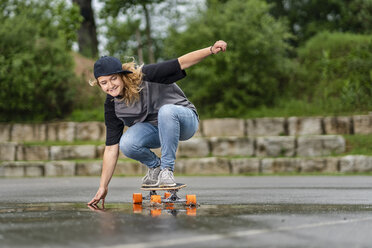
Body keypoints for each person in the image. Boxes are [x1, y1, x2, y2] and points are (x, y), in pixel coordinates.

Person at [88, 40, 227, 208]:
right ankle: (156, 167)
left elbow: (182, 62)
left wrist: (211, 49)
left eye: (113, 79)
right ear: (99, 84)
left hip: (184, 120)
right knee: (127, 143)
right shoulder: (112, 105)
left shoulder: (145, 75)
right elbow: (111, 148)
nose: (110, 86)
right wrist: (103, 186)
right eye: (104, 83)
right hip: (157, 129)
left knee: (166, 111)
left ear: (122, 75)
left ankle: (167, 170)